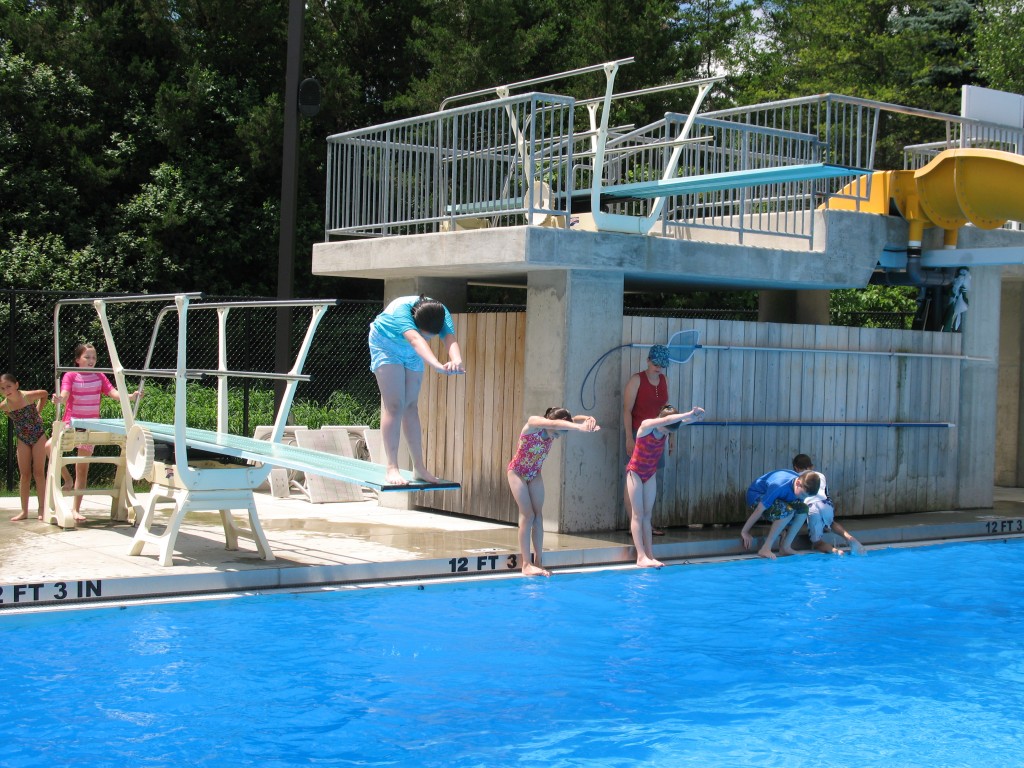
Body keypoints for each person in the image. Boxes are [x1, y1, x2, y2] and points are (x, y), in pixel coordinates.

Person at [369, 295, 465, 486]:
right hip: (386, 344)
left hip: (412, 350)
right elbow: (415, 340)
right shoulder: (400, 311)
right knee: (395, 406)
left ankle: (419, 468)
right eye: (426, 336)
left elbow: (449, 337)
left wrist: (456, 360)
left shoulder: (440, 312)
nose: (428, 339)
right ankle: (392, 467)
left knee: (411, 407)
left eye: (430, 337)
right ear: (414, 322)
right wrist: (436, 364)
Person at [51, 342, 141, 522]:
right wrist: (59, 399)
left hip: (91, 426)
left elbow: (113, 393)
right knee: (49, 448)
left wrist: (130, 397)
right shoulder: (71, 375)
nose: (91, 360)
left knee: (82, 468)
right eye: (87, 357)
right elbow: (65, 394)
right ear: (77, 360)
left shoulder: (99, 375)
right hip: (71, 424)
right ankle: (67, 479)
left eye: (94, 357)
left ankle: (75, 509)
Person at [507, 407, 600, 577]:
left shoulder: (555, 429)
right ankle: (526, 564)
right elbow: (556, 424)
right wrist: (579, 428)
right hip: (517, 472)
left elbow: (574, 419)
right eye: (558, 432)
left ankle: (538, 563)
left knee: (538, 516)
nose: (558, 436)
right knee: (528, 515)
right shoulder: (533, 424)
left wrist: (588, 419)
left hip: (535, 473)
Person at [626, 404, 705, 568]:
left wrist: (697, 416)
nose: (665, 433)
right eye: (666, 429)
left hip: (650, 474)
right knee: (637, 514)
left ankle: (650, 555)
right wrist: (688, 413)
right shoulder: (647, 425)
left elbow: (684, 422)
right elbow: (668, 420)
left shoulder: (666, 429)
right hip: (635, 473)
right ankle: (640, 557)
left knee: (647, 515)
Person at [623, 344, 672, 535]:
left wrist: (671, 435)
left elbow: (668, 412)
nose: (658, 367)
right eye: (656, 363)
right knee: (633, 478)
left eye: (662, 364)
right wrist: (629, 437)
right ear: (648, 360)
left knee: (650, 478)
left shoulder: (664, 380)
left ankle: (646, 524)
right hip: (639, 434)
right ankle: (634, 524)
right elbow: (627, 410)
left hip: (658, 436)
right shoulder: (637, 380)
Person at [780, 454, 865, 555]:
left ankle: (836, 552)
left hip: (812, 508)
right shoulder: (820, 475)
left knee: (817, 543)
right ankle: (850, 539)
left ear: (796, 468)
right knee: (831, 523)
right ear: (812, 466)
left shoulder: (797, 478)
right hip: (826, 505)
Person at [740, 467, 821, 559]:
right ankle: (765, 548)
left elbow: (797, 507)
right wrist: (745, 531)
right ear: (798, 483)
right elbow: (759, 509)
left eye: (805, 496)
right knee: (787, 512)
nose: (803, 498)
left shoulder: (800, 487)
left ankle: (785, 547)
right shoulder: (779, 485)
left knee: (803, 509)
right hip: (757, 496)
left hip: (779, 499)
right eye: (802, 494)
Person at [1, 373, 49, 522]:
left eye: (9, 386)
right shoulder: (5, 406)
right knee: (25, 474)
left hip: (38, 435)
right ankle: (24, 511)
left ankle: (42, 509)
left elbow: (44, 394)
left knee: (39, 473)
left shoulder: (27, 396)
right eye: (2, 388)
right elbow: (12, 416)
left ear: (16, 385)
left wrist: (39, 410)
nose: (6, 390)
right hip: (23, 438)